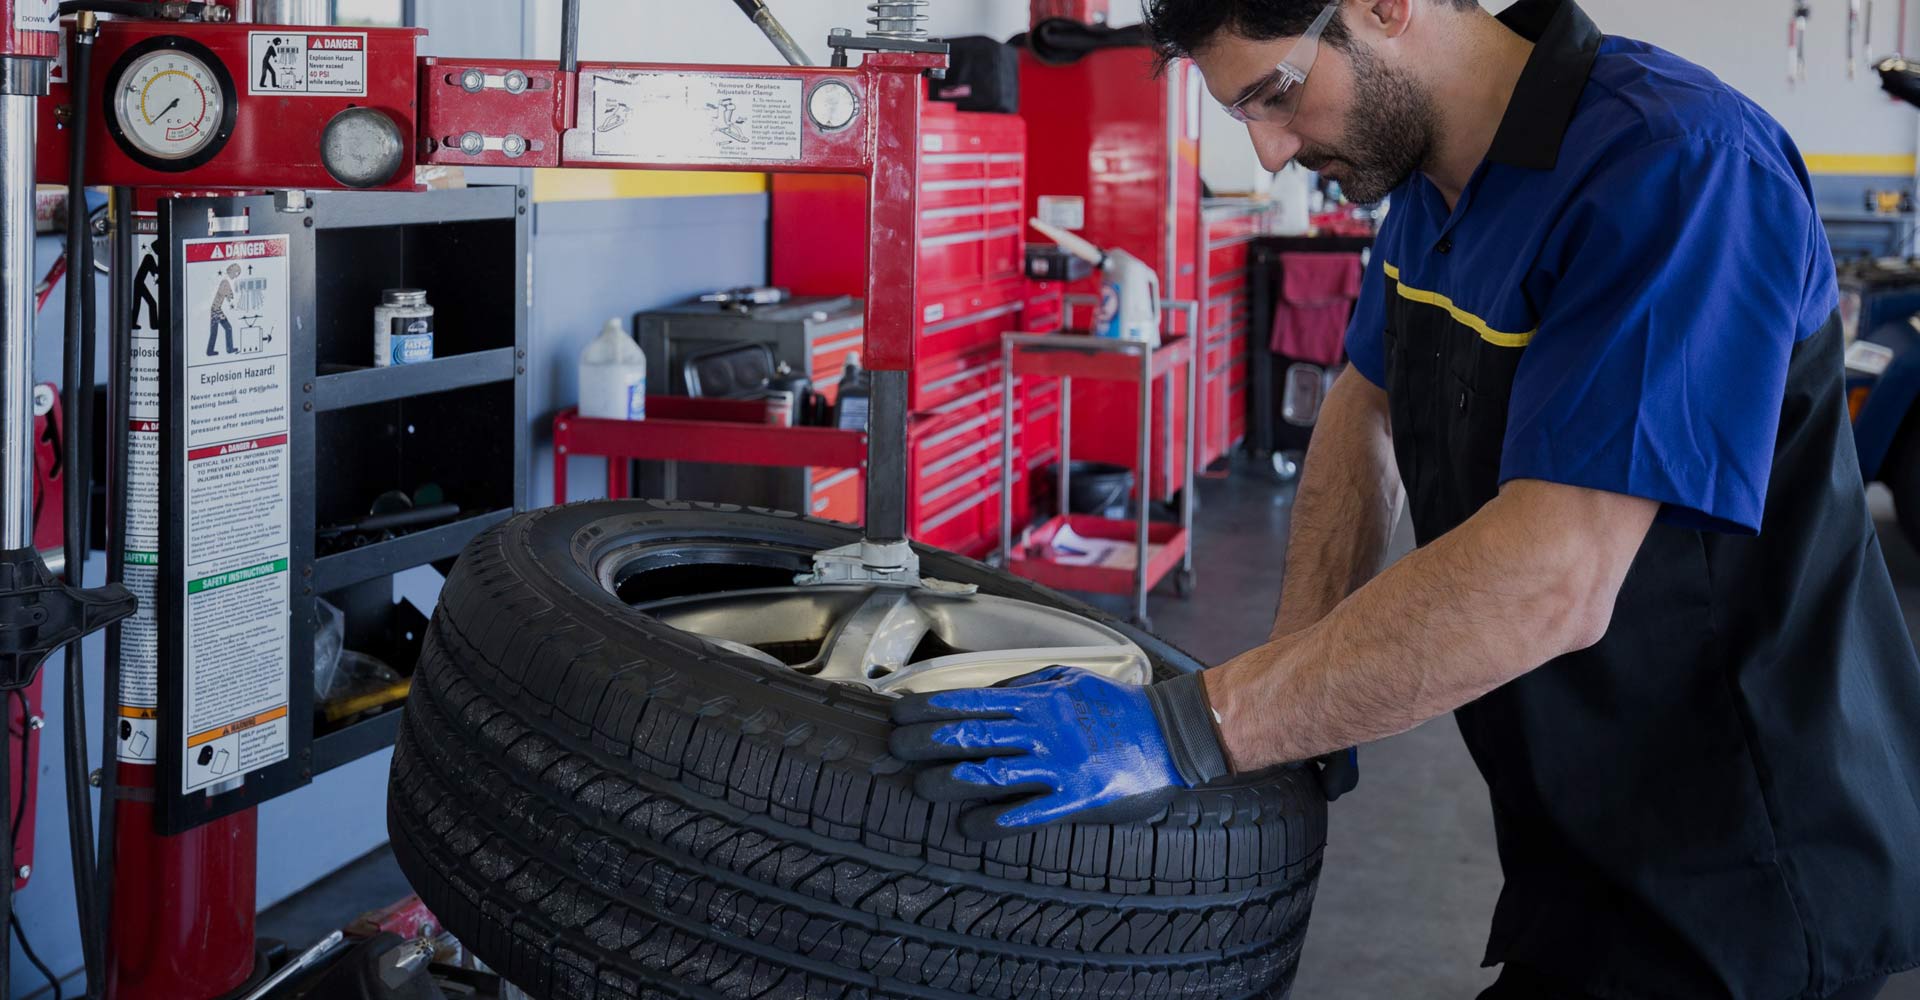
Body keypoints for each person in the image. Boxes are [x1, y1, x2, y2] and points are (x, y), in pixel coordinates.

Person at [889, 1, 1920, 998]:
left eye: (1276, 94)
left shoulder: (1679, 167)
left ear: (1386, 6)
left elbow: (1557, 575)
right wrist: (1296, 674)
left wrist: (1195, 726)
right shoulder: (1434, 180)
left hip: (1749, 862)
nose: (1269, 154)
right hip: (1581, 835)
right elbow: (1364, 401)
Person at [206, 263, 238, 357]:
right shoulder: (225, 282)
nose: (236, 276)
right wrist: (230, 295)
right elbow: (227, 295)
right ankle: (229, 349)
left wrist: (230, 295)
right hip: (216, 310)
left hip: (216, 309)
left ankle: (210, 351)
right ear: (232, 272)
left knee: (216, 331)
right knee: (227, 328)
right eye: (236, 273)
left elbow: (229, 295)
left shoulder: (226, 281)